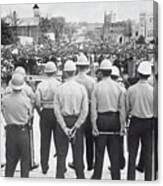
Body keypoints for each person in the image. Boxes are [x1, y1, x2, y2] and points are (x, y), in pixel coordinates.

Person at [91, 59, 125, 180]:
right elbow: (122, 109)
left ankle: (97, 177)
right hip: (114, 119)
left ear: (101, 71)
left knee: (99, 153)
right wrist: (122, 126)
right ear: (111, 71)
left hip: (101, 119)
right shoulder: (118, 87)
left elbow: (93, 109)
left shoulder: (96, 88)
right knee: (114, 154)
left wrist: (94, 126)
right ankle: (116, 178)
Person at [54, 60, 88, 179]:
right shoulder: (81, 89)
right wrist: (76, 126)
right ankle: (80, 179)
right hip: (76, 122)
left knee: (61, 155)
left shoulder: (60, 89)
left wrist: (64, 127)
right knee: (78, 156)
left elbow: (56, 110)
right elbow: (85, 110)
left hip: (63, 121)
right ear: (75, 71)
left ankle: (59, 179)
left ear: (65, 72)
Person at [126, 61, 153, 180]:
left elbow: (127, 108)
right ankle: (148, 179)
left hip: (135, 122)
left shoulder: (131, 90)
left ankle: (131, 179)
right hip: (149, 123)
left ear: (138, 73)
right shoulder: (154, 91)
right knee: (148, 154)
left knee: (132, 153)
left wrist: (124, 122)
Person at [2, 73, 32, 177]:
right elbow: (30, 115)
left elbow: (2, 111)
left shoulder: (4, 100)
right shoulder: (26, 101)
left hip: (10, 131)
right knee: (25, 161)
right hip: (22, 131)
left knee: (10, 160)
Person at [68, 53, 95, 171]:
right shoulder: (92, 81)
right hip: (89, 110)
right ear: (87, 67)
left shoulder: (74, 80)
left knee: (78, 140)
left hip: (77, 110)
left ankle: (77, 162)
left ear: (77, 66)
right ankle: (90, 163)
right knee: (90, 139)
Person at [35, 61, 60, 174]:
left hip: (45, 111)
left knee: (45, 141)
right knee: (59, 140)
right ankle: (61, 165)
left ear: (45, 72)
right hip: (56, 112)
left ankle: (44, 165)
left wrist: (41, 113)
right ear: (55, 71)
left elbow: (37, 102)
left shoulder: (40, 85)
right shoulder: (59, 84)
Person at [111, 66, 126, 170]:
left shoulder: (110, 87)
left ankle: (115, 163)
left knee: (113, 143)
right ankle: (121, 162)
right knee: (120, 142)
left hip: (112, 116)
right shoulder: (122, 88)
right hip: (120, 116)